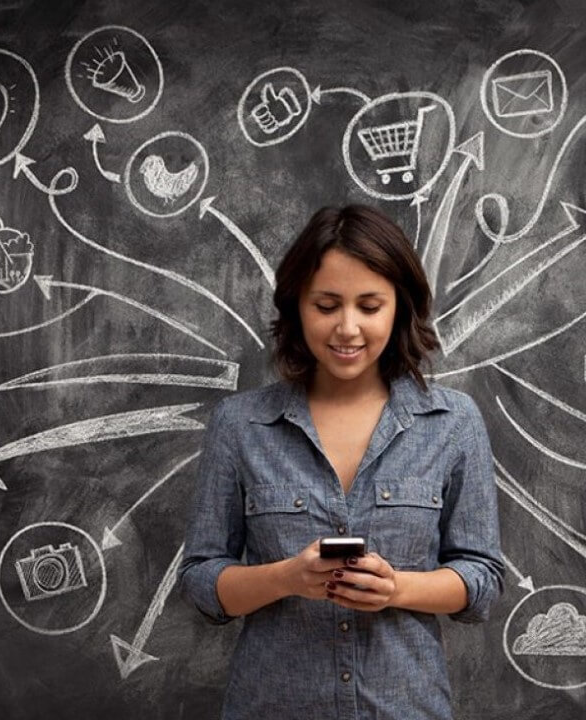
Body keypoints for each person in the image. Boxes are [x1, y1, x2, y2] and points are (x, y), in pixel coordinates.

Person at [178, 204, 504, 719]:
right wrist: (287, 578)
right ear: (296, 307)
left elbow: (481, 579)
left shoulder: (453, 421)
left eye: (370, 307)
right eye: (326, 305)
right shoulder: (239, 425)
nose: (348, 329)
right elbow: (201, 581)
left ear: (400, 307)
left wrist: (397, 587)